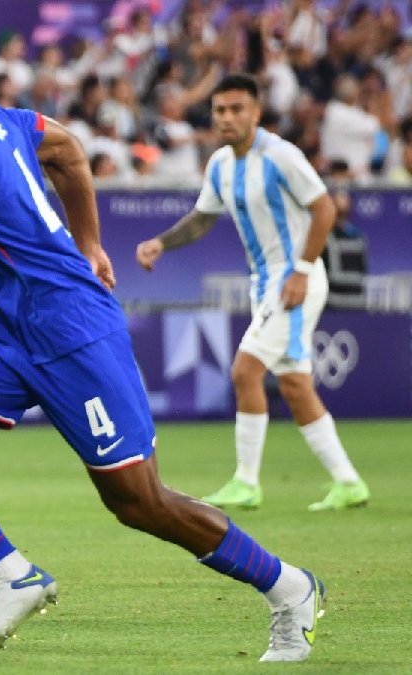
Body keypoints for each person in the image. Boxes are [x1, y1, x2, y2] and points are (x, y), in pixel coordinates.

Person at [0, 4, 324, 662]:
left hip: (72, 331)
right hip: (9, 327)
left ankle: (289, 587)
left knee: (139, 501)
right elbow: (66, 149)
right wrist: (89, 241)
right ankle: (13, 577)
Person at [136, 73, 369, 512]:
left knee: (245, 371)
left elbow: (324, 208)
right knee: (295, 385)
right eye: (220, 110)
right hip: (265, 283)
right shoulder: (221, 164)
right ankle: (349, 482)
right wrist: (161, 243)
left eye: (236, 109)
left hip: (294, 279)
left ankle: (246, 482)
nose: (227, 117)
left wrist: (301, 271)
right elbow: (203, 218)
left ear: (256, 112)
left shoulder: (281, 156)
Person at [321, 188, 368, 310]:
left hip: (356, 302)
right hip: (330, 304)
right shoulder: (322, 237)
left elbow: (362, 269)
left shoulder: (358, 237)